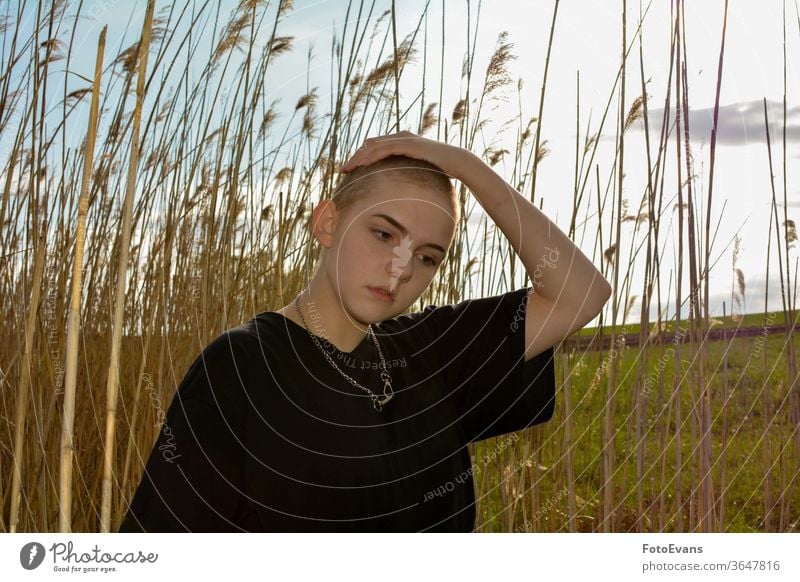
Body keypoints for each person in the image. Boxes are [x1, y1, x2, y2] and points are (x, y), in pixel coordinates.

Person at [118, 131, 611, 532]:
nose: (401, 269)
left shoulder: (433, 351)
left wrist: (466, 167)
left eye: (426, 257)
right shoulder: (242, 365)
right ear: (328, 223)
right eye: (384, 234)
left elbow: (580, 292)